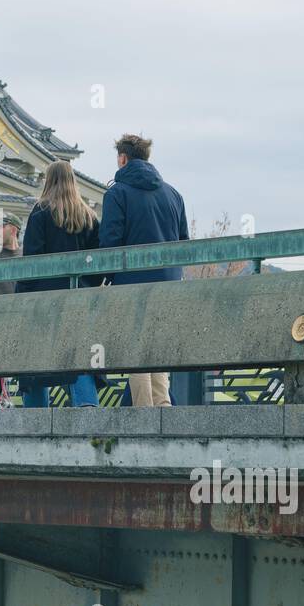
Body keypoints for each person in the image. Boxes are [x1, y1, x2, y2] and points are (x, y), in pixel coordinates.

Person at [99, 133, 188, 408]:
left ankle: (144, 413)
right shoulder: (173, 194)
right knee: (156, 347)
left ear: (122, 159)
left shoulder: (117, 193)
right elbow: (184, 242)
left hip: (132, 284)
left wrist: (110, 279)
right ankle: (163, 408)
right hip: (169, 283)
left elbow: (110, 242)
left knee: (136, 349)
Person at [16, 162, 102, 408]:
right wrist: (88, 286)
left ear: (49, 180)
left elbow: (31, 261)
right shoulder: (88, 216)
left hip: (44, 302)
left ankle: (36, 418)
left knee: (35, 360)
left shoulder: (40, 212)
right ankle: (87, 411)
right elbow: (98, 263)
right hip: (80, 301)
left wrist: (23, 295)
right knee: (79, 356)